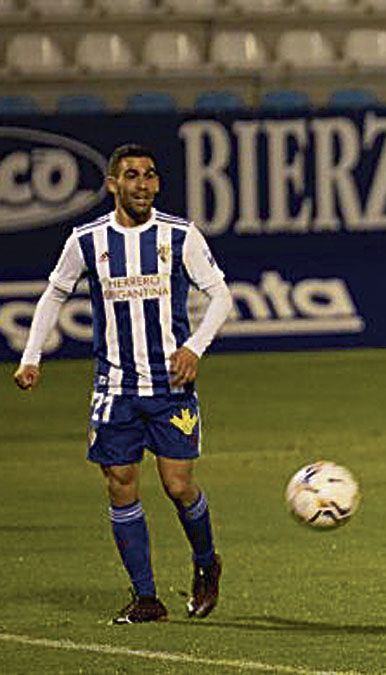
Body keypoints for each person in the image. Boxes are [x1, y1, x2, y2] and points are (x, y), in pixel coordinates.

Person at [12, 144, 232, 623]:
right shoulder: (87, 240)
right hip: (115, 387)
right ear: (113, 184)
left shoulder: (180, 235)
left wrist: (194, 347)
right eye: (131, 176)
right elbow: (54, 293)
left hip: (170, 384)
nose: (143, 184)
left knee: (178, 486)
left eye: (150, 175)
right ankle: (147, 597)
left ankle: (205, 562)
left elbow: (220, 296)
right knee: (120, 484)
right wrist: (32, 357)